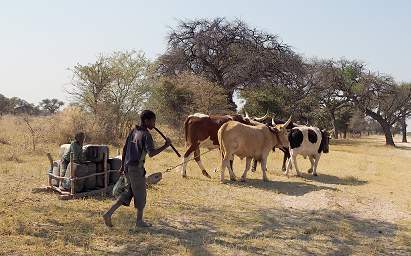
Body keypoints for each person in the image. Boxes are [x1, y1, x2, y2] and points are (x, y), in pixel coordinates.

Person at [103, 110, 171, 228]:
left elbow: (125, 149)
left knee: (128, 193)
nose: (154, 124)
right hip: (136, 169)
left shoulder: (133, 131)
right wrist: (166, 145)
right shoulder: (146, 135)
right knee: (141, 194)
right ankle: (139, 221)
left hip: (128, 167)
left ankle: (108, 213)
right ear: (146, 121)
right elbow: (151, 153)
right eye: (153, 121)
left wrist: (122, 166)